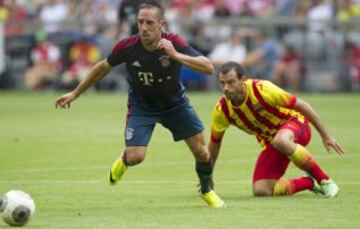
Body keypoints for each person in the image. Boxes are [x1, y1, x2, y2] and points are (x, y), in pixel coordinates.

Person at [55, 2, 225, 208]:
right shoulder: (127, 46)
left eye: (149, 23)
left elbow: (208, 67)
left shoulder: (174, 42)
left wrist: (175, 55)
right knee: (136, 157)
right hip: (142, 106)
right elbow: (102, 68)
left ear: (162, 25)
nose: (144, 27)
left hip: (175, 104)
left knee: (202, 153)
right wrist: (75, 93)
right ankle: (125, 160)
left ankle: (207, 190)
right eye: (140, 22)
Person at [209, 61, 345, 197]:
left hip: (297, 124)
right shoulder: (222, 110)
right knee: (261, 191)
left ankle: (325, 181)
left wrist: (326, 135)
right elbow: (215, 142)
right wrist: (208, 174)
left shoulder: (262, 89)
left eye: (231, 82)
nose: (226, 87)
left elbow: (302, 105)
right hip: (272, 142)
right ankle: (308, 183)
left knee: (281, 140)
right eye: (222, 83)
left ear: (243, 80)